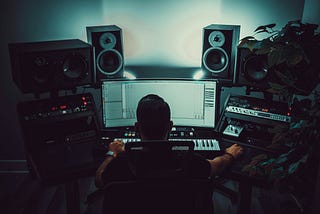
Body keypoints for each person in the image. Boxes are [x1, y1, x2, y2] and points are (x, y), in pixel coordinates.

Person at [95, 94, 243, 188]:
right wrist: (230, 155)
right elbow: (216, 166)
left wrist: (112, 153)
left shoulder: (123, 162)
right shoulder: (188, 159)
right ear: (170, 127)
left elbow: (99, 180)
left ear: (136, 128)